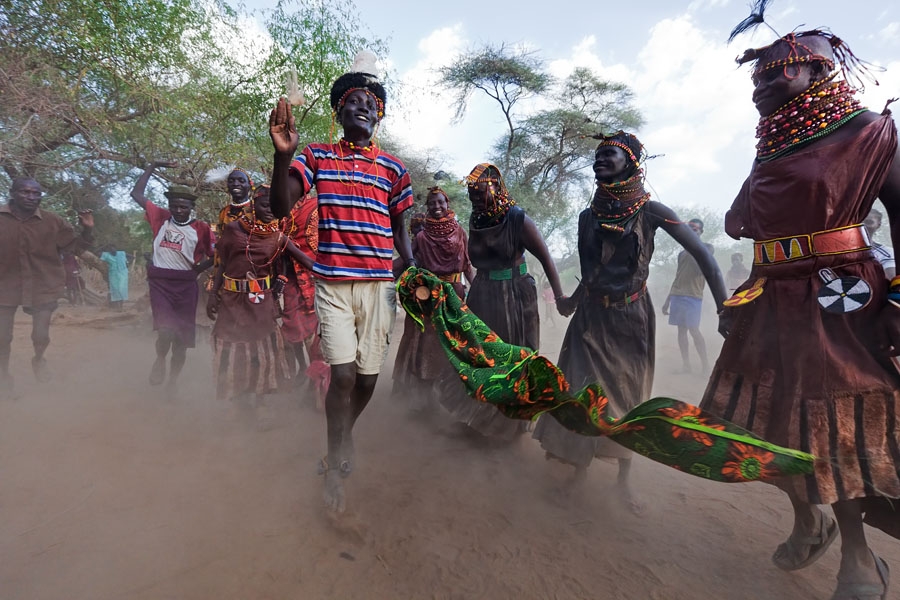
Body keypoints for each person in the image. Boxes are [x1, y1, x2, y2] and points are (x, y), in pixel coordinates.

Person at [702, 19, 900, 600]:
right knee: (765, 419)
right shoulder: (773, 146)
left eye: (780, 65)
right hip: (772, 298)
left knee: (835, 420)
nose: (761, 79)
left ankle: (859, 560)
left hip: (840, 298)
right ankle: (809, 520)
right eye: (756, 72)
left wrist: (899, 296)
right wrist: (744, 298)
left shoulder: (868, 132)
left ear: (819, 69)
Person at [532, 133, 727, 512]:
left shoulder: (651, 211)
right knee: (580, 392)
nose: (600, 159)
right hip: (590, 316)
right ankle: (579, 471)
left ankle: (624, 481)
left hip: (630, 317)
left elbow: (702, 253)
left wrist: (724, 306)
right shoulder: (587, 217)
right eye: (598, 155)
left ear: (632, 163)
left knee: (625, 397)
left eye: (610, 154)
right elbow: (590, 270)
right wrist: (569, 301)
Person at [268, 51, 415, 512]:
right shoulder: (316, 157)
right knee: (344, 375)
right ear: (339, 113)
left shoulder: (394, 170)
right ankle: (334, 464)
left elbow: (403, 235)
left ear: (380, 115)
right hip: (333, 286)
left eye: (372, 103)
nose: (365, 108)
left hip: (379, 289)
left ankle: (342, 434)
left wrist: (413, 274)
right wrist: (283, 157)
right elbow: (278, 208)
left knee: (369, 382)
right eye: (354, 102)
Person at [437, 163, 565, 441]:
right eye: (471, 192)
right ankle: (478, 417)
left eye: (479, 191)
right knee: (479, 353)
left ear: (495, 186)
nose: (474, 197)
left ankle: (510, 425)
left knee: (512, 356)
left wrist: (559, 297)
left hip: (514, 295)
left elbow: (546, 258)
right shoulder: (476, 219)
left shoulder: (517, 218)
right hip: (483, 292)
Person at [0, 177, 94, 393]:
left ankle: (39, 359)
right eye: (25, 192)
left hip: (43, 284)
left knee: (40, 335)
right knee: (2, 338)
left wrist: (87, 229)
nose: (31, 197)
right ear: (12, 193)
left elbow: (74, 248)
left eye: (36, 193)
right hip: (4, 285)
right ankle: (4, 377)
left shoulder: (53, 222)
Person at [207, 185, 296, 409]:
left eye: (275, 207)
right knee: (234, 350)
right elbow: (223, 264)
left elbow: (297, 262)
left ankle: (257, 405)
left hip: (261, 301)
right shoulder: (233, 229)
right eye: (266, 205)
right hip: (231, 300)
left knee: (261, 350)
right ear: (254, 204)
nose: (270, 211)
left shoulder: (277, 235)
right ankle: (240, 403)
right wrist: (212, 294)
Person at [130, 161, 214, 392]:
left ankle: (173, 381)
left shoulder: (201, 228)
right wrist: (151, 166)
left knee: (181, 341)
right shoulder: (159, 218)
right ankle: (159, 360)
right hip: (161, 283)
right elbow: (136, 193)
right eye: (175, 206)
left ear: (190, 208)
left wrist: (198, 269)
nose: (178, 210)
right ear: (169, 205)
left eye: (183, 207)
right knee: (166, 330)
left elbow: (216, 255)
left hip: (187, 286)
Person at [392, 186, 474, 414]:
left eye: (440, 202)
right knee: (429, 346)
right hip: (430, 297)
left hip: (456, 295)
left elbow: (467, 266)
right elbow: (404, 261)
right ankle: (425, 403)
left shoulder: (460, 233)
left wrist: (475, 290)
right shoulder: (421, 236)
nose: (437, 207)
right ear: (427, 208)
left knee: (456, 344)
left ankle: (453, 398)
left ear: (447, 204)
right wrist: (376, 272)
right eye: (432, 204)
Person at [280, 190, 329, 407]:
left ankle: (316, 390)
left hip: (320, 279)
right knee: (292, 333)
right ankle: (303, 371)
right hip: (290, 280)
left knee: (320, 341)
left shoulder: (321, 203)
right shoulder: (278, 207)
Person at [662, 218, 714, 373]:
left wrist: (692, 246)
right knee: (681, 331)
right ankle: (686, 365)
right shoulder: (681, 253)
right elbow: (678, 276)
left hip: (693, 296)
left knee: (694, 330)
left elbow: (700, 271)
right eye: (689, 230)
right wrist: (667, 301)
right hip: (678, 295)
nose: (691, 232)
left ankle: (705, 366)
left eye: (695, 230)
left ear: (701, 232)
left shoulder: (707, 248)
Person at [865, 208, 895, 279]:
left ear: (878, 225)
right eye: (858, 221)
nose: (862, 225)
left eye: (869, 222)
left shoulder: (887, 254)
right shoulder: (839, 251)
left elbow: (891, 280)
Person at [99, 244, 129, 310]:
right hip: (113, 274)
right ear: (108, 251)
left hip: (123, 273)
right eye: (110, 250)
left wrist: (127, 264)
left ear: (116, 249)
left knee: (121, 289)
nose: (113, 251)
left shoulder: (121, 253)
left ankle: (121, 306)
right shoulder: (106, 255)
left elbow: (132, 257)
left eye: (113, 249)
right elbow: (97, 253)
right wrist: (102, 247)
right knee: (115, 290)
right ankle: (118, 307)